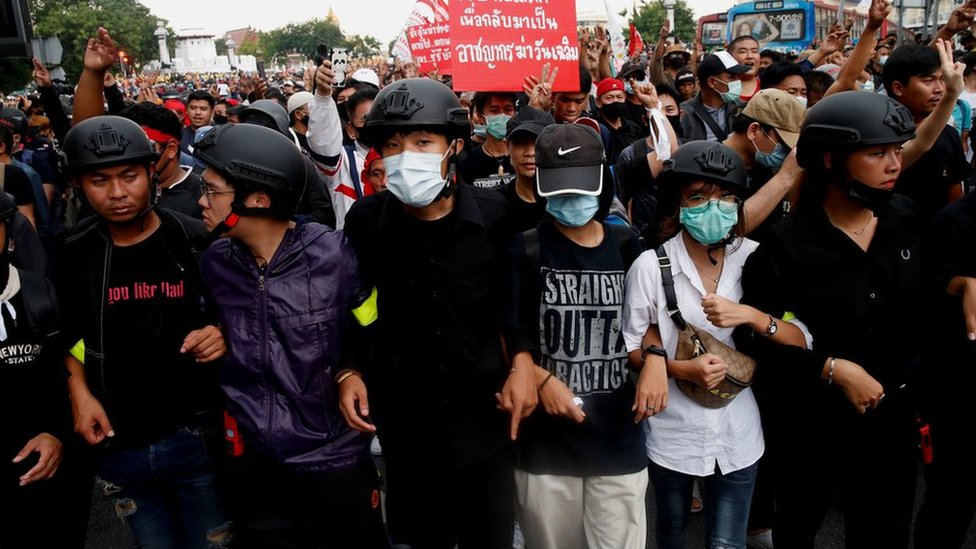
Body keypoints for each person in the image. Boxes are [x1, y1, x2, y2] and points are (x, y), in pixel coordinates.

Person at [340, 77, 520, 549]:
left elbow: (513, 304)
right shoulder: (364, 223)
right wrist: (349, 370)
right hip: (406, 429)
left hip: (486, 423)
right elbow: (355, 308)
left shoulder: (494, 215)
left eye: (423, 142)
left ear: (454, 146)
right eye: (394, 146)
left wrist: (523, 364)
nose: (406, 157)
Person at [736, 91, 920, 548]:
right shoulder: (783, 246)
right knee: (798, 528)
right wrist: (833, 369)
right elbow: (758, 340)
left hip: (892, 424)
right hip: (808, 428)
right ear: (832, 159)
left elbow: (926, 315)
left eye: (897, 150)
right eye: (877, 153)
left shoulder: (906, 219)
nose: (894, 163)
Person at [193, 123, 389, 547]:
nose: (201, 201)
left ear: (258, 198)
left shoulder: (335, 255)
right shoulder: (214, 263)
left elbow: (372, 329)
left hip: (334, 462)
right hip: (253, 468)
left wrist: (351, 368)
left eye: (211, 191)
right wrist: (215, 334)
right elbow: (219, 325)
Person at [622, 141, 808, 549]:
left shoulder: (759, 259)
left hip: (740, 433)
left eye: (727, 198)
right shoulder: (650, 267)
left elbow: (801, 336)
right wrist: (676, 368)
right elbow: (633, 347)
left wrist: (754, 317)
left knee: (727, 543)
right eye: (699, 197)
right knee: (670, 535)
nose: (714, 207)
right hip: (673, 434)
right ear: (678, 204)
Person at [58, 115, 229, 548]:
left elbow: (236, 313)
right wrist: (79, 395)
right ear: (79, 184)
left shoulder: (193, 241)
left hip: (195, 435)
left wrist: (219, 332)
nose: (117, 193)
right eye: (100, 180)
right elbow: (61, 336)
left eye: (129, 176)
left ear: (152, 172)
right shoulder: (72, 253)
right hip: (117, 442)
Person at [502, 123, 647, 549]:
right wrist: (540, 377)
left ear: (602, 180)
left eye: (581, 186)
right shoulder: (524, 248)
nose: (572, 199)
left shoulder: (627, 244)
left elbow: (648, 315)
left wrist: (655, 357)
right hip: (545, 449)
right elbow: (510, 327)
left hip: (618, 443)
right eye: (561, 187)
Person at [0, 191, 80, 548]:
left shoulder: (40, 293)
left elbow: (68, 372)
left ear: (9, 235)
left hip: (43, 474)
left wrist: (56, 434)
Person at [913, 189, 976, 549]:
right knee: (949, 506)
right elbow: (919, 300)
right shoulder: (951, 224)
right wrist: (955, 285)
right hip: (958, 395)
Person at [884, 44, 968, 222]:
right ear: (898, 87)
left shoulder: (949, 134)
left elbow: (955, 195)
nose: (939, 89)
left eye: (942, 79)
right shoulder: (879, 135)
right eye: (928, 80)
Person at [119, 101, 203, 218]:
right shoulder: (120, 191)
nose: (133, 155)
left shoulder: (201, 196)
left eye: (144, 147)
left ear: (171, 148)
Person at [499, 106, 553, 234]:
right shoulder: (497, 205)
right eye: (521, 142)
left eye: (538, 143)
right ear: (507, 147)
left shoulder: (566, 203)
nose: (530, 152)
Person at [679, 52, 749, 143]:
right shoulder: (685, 114)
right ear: (712, 82)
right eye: (731, 77)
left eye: (737, 76)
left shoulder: (743, 109)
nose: (738, 81)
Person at [458, 92, 518, 190]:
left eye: (508, 109)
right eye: (494, 110)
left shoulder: (522, 155)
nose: (502, 115)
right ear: (481, 118)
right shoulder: (469, 161)